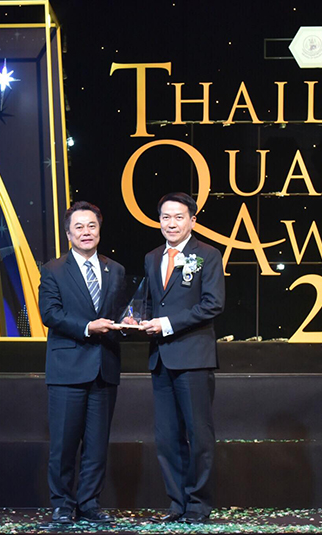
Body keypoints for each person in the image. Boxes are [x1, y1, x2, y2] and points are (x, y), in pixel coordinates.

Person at [138, 192, 225, 523]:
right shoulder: (152, 257)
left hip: (193, 357)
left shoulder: (207, 255)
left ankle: (198, 505)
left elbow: (212, 304)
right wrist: (137, 320)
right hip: (160, 359)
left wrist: (166, 324)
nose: (171, 223)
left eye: (178, 217)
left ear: (192, 220)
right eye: (165, 217)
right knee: (167, 438)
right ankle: (177, 504)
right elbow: (151, 302)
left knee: (198, 436)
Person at [38, 201, 126, 524]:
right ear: (68, 234)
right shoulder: (53, 270)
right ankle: (62, 504)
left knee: (96, 444)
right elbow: (50, 314)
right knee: (63, 443)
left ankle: (89, 503)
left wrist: (128, 322)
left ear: (99, 230)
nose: (86, 232)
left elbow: (119, 312)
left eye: (92, 225)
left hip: (104, 367)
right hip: (67, 369)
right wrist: (88, 327)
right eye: (79, 227)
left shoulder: (115, 269)